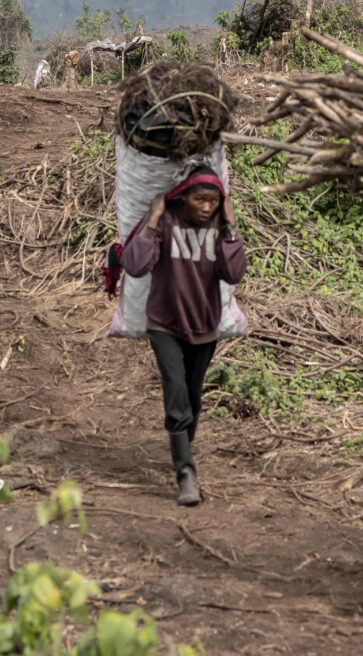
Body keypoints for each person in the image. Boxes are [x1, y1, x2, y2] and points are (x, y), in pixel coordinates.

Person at [120, 164, 245, 507]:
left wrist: (231, 226)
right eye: (200, 200)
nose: (206, 208)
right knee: (176, 393)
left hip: (205, 326)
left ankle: (181, 448)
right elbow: (135, 265)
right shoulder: (168, 220)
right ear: (183, 197)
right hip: (165, 323)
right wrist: (152, 219)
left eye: (213, 201)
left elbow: (233, 272)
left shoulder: (220, 225)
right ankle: (186, 473)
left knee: (192, 397)